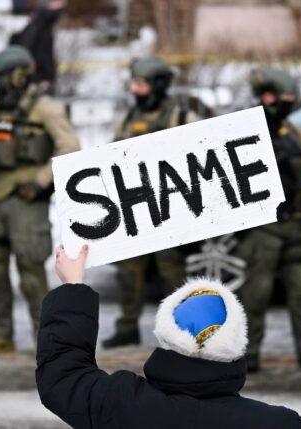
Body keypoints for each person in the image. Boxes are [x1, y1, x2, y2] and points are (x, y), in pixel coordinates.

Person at [36, 244, 301, 428]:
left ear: (166, 336)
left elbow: (63, 374)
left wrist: (73, 286)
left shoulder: (122, 404)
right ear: (237, 344)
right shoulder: (279, 424)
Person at [0, 46, 80, 355]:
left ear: (17, 75)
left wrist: (41, 180)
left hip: (27, 199)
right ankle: (2, 334)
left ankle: (47, 342)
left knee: (31, 271)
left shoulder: (45, 108)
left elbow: (69, 147)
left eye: (1, 76)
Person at [234, 67, 301, 374]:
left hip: (298, 224)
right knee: (256, 295)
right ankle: (249, 352)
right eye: (284, 97)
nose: (289, 103)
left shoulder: (293, 132)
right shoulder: (244, 130)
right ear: (269, 97)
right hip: (264, 228)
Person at [101, 56, 199, 349]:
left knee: (171, 273)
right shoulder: (129, 118)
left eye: (141, 84)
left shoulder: (181, 118)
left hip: (168, 207)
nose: (136, 90)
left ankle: (181, 330)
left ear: (157, 85)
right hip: (135, 208)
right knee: (129, 272)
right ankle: (128, 326)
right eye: (134, 84)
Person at [10, 0, 66, 95]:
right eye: (58, 2)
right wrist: (41, 78)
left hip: (42, 81)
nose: (62, 6)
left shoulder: (44, 24)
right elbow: (26, 52)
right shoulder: (39, 25)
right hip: (39, 83)